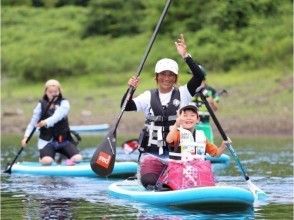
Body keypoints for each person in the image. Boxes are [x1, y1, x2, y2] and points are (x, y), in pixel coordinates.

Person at [122, 34, 205, 188]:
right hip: (152, 154)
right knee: (149, 183)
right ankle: (158, 179)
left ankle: (171, 180)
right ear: (157, 76)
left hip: (179, 155)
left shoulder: (184, 93)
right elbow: (125, 106)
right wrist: (131, 89)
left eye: (171, 75)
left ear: (175, 77)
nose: (167, 78)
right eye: (163, 74)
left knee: (172, 184)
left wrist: (185, 56)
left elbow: (199, 76)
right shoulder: (148, 96)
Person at [160, 102, 229, 190]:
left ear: (198, 119)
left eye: (192, 115)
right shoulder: (176, 133)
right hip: (179, 172)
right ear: (179, 119)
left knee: (205, 171)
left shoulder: (202, 136)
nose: (188, 118)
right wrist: (176, 124)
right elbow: (169, 139)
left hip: (197, 172)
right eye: (185, 115)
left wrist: (224, 145)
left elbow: (216, 154)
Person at [21, 79, 83, 165]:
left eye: (55, 91)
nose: (53, 94)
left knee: (78, 158)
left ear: (59, 92)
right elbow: (33, 123)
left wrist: (46, 122)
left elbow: (57, 116)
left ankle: (67, 162)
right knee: (47, 161)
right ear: (46, 92)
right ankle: (42, 158)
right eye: (50, 92)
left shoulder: (64, 103)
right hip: (47, 142)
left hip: (64, 140)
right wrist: (26, 137)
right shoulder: (41, 105)